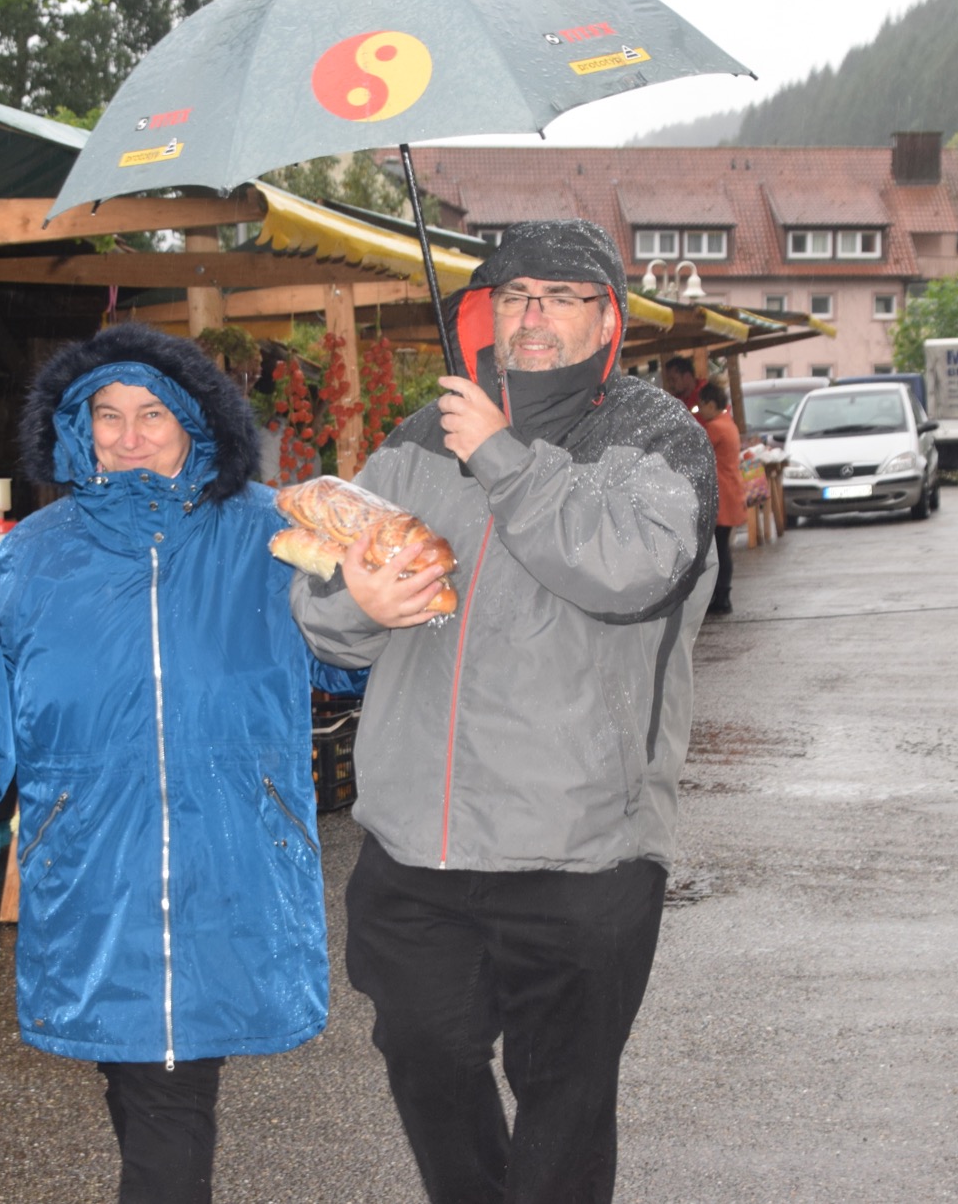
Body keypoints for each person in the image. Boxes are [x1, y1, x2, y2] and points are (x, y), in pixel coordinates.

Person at [290, 220, 716, 1203]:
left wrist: (503, 455)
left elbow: (627, 571)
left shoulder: (656, 439)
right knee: (424, 1056)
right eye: (515, 294)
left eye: (562, 296)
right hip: (417, 845)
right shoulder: (411, 443)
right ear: (481, 312)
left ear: (606, 319)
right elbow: (322, 592)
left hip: (580, 849)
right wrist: (352, 601)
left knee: (562, 1094)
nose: (534, 314)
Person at [0, 323, 360, 1204]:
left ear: (199, 422)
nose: (129, 434)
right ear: (77, 428)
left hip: (232, 852)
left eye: (154, 412)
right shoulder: (33, 553)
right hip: (95, 864)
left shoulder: (269, 532)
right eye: (105, 414)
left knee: (165, 1092)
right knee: (142, 1080)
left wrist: (373, 586)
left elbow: (351, 654)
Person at [694, 380, 745, 615]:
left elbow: (695, 451)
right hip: (730, 493)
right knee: (722, 547)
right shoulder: (729, 424)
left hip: (721, 496)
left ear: (712, 404)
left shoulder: (714, 428)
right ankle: (721, 594)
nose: (699, 410)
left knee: (719, 549)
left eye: (701, 405)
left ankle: (721, 596)